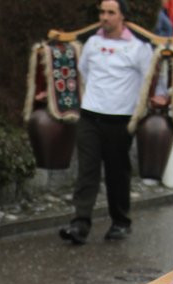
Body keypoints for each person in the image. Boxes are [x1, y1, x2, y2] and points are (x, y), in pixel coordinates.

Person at [59, 0, 154, 245]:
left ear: (123, 17)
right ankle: (80, 223)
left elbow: (149, 79)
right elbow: (84, 73)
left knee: (117, 173)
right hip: (90, 116)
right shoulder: (92, 43)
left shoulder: (138, 47)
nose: (105, 17)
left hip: (120, 120)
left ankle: (121, 222)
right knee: (86, 171)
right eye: (102, 12)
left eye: (111, 12)